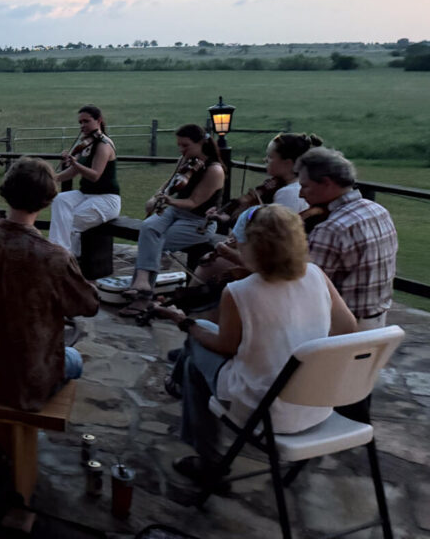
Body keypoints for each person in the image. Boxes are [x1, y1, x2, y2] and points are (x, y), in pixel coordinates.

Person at [154, 205, 357, 484]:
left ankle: (209, 462)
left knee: (195, 353)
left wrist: (183, 321)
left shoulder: (239, 292)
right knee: (197, 350)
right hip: (318, 403)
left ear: (253, 245)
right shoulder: (316, 275)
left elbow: (225, 347)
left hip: (266, 412)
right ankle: (178, 385)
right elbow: (347, 328)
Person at [0, 157, 100, 412]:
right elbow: (88, 305)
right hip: (29, 382)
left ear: (7, 191)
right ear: (47, 199)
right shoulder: (55, 257)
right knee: (74, 359)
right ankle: (28, 431)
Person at [195, 132, 323, 285]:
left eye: (270, 157)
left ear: (288, 164)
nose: (265, 160)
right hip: (261, 254)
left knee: (207, 265)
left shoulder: (289, 194)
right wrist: (229, 219)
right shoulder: (284, 187)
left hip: (271, 264)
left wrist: (232, 252)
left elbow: (273, 241)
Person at [123, 124, 226, 313]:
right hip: (175, 211)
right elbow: (168, 184)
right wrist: (156, 197)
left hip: (198, 222)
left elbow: (193, 202)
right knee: (148, 227)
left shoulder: (215, 170)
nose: (181, 150)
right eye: (179, 145)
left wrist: (170, 201)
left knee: (155, 240)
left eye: (185, 145)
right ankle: (142, 283)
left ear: (201, 143)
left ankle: (143, 294)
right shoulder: (185, 160)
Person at [296, 147, 398, 330]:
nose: (300, 194)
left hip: (342, 328)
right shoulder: (379, 211)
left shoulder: (330, 229)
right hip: (378, 324)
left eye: (305, 186)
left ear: (326, 183)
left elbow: (307, 290)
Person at [48, 105, 121, 256]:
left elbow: (95, 175)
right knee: (59, 200)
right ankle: (58, 252)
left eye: (86, 121)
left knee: (70, 221)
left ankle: (65, 257)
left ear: (99, 121)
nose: (82, 126)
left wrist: (75, 163)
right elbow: (73, 172)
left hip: (106, 199)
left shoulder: (103, 145)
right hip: (86, 194)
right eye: (80, 122)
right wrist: (52, 178)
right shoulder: (87, 144)